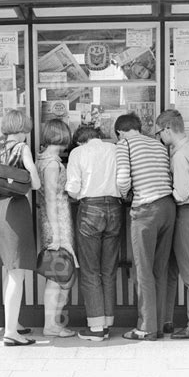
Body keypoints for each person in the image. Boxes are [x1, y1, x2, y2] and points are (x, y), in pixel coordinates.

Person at [115, 113, 175, 341]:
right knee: (160, 268)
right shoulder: (158, 144)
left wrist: (123, 195)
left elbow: (122, 180)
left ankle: (146, 328)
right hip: (168, 208)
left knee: (143, 271)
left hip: (146, 211)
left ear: (120, 131)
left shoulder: (124, 145)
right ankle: (158, 325)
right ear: (138, 128)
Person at [0, 109, 41, 346]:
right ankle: (10, 333)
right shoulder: (21, 148)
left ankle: (13, 323)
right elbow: (35, 182)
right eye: (26, 130)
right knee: (17, 272)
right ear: (22, 130)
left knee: (9, 269)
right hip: (15, 210)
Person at [66, 125, 122, 342]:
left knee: (90, 270)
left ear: (80, 141)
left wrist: (80, 193)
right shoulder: (115, 149)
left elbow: (72, 188)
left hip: (90, 208)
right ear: (98, 136)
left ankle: (96, 328)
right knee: (108, 270)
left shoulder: (78, 153)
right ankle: (107, 322)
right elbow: (123, 181)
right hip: (115, 208)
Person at [157, 109, 189, 339]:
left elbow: (182, 192)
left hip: (185, 214)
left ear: (168, 129)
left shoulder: (179, 155)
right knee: (172, 268)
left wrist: (163, 194)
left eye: (160, 132)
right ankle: (166, 320)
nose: (160, 138)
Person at [36, 119, 78, 338]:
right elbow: (52, 199)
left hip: (52, 220)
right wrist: (57, 233)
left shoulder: (42, 160)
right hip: (57, 221)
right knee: (57, 275)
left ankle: (53, 323)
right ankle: (51, 324)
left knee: (59, 274)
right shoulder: (52, 163)